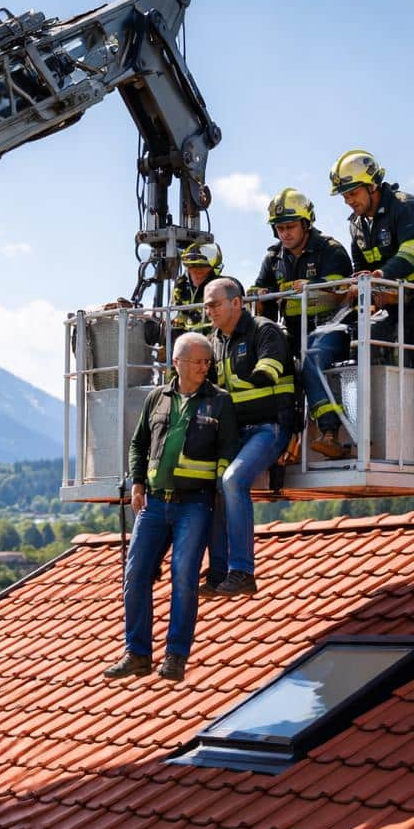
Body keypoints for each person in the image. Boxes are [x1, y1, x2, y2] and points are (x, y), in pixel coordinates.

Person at [105, 332, 237, 683]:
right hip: (154, 503)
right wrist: (137, 482)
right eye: (197, 361)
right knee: (135, 575)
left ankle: (175, 657)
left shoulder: (220, 401)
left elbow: (228, 450)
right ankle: (137, 654)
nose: (204, 367)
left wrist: (219, 492)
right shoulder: (156, 398)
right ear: (177, 363)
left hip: (195, 505)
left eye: (207, 361)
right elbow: (138, 444)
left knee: (184, 578)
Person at [318, 148, 414, 463]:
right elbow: (361, 268)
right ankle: (375, 436)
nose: (348, 200)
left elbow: (411, 256)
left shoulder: (407, 208)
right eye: (343, 196)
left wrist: (379, 278)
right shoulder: (357, 225)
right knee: (362, 345)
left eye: (352, 192)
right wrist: (363, 288)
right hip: (397, 303)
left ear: (372, 185)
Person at [198, 277, 292, 597]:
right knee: (212, 483)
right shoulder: (214, 341)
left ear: (237, 303)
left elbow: (267, 373)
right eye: (206, 306)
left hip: (270, 427)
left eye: (215, 304)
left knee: (233, 480)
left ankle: (242, 571)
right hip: (236, 432)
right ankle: (218, 572)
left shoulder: (265, 331)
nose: (209, 311)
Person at [251, 188, 354, 359]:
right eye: (280, 228)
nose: (285, 234)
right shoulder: (273, 259)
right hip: (291, 332)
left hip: (332, 328)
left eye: (291, 226)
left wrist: (311, 286)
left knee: (312, 361)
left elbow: (343, 289)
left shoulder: (330, 250)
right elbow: (257, 289)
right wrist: (259, 293)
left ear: (306, 224)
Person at [171, 241, 223, 334]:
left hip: (214, 338)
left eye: (202, 266)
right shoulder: (180, 288)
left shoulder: (224, 287)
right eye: (192, 266)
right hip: (184, 339)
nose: (197, 270)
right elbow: (175, 317)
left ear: (212, 268)